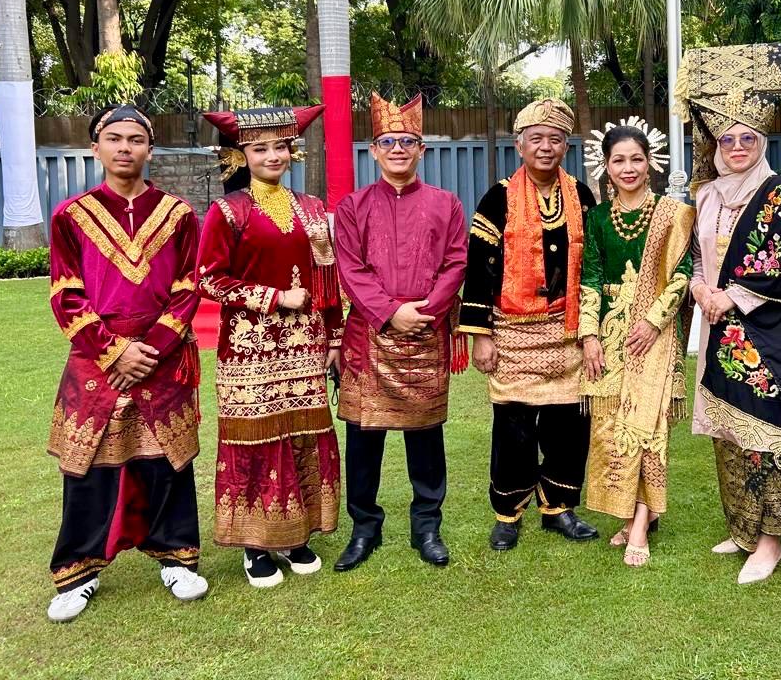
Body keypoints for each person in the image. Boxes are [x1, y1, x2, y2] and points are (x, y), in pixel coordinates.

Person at [45, 105, 208, 622]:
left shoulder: (178, 214)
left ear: (149, 149)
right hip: (98, 358)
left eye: (135, 139)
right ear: (95, 148)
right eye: (113, 138)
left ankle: (177, 557)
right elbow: (65, 293)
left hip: (162, 354)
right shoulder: (71, 215)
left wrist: (152, 346)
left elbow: (188, 286)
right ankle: (78, 571)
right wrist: (116, 350)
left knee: (167, 461)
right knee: (90, 466)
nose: (124, 148)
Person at [680, 43, 781, 585]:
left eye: (748, 139)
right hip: (719, 330)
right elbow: (698, 256)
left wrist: (733, 296)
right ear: (716, 144)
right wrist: (700, 288)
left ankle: (771, 541)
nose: (737, 147)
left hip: (768, 334)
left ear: (762, 142)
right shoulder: (707, 194)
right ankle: (742, 528)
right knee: (730, 432)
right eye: (728, 139)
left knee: (769, 432)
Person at [197, 105, 342, 588]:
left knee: (301, 435)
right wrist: (274, 297)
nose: (272, 156)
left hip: (305, 347)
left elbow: (327, 278)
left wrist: (335, 337)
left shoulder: (314, 208)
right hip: (248, 350)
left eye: (281, 146)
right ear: (241, 155)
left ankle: (296, 535)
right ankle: (256, 544)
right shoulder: (227, 212)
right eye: (260, 149)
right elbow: (208, 279)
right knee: (255, 438)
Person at [332, 93, 468, 572]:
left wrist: (423, 312)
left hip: (427, 331)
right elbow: (350, 269)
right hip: (368, 336)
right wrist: (391, 313)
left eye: (407, 142)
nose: (397, 149)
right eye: (388, 141)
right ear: (373, 150)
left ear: (421, 149)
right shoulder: (353, 206)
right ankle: (364, 528)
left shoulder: (446, 204)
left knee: (426, 436)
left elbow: (456, 262)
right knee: (363, 440)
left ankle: (426, 525)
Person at [457, 98, 599, 550]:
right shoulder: (497, 197)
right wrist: (481, 336)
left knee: (568, 426)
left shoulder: (582, 195)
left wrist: (593, 330)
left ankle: (559, 507)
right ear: (520, 146)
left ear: (565, 146)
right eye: (536, 139)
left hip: (568, 331)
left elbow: (594, 266)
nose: (545, 147)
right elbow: (479, 268)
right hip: (513, 332)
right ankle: (508, 512)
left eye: (555, 139)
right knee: (513, 427)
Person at [578, 120, 694, 567]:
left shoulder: (673, 214)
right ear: (606, 167)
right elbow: (590, 277)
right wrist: (589, 336)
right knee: (612, 428)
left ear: (651, 163)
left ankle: (641, 525)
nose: (628, 168)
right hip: (611, 336)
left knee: (649, 428)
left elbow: (682, 276)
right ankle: (631, 512)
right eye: (618, 160)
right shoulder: (597, 218)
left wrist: (652, 320)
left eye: (636, 159)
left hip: (655, 335)